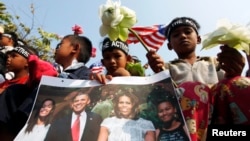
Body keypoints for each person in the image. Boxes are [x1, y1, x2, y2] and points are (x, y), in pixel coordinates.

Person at [145, 17, 248, 141]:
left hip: (218, 117)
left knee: (239, 82)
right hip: (186, 122)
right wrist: (159, 76)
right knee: (191, 88)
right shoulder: (165, 68)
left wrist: (235, 71)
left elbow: (226, 87)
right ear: (169, 45)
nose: (183, 36)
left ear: (198, 39)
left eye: (187, 32)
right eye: (176, 35)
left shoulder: (215, 61)